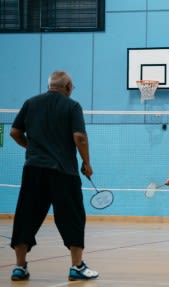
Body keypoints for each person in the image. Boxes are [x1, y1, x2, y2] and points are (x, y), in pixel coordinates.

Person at [9, 71, 99, 281]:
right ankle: (76, 267)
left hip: (33, 170)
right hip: (63, 172)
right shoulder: (72, 106)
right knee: (72, 217)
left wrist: (30, 147)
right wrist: (86, 162)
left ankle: (19, 267)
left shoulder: (30, 103)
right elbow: (79, 137)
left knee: (25, 216)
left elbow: (14, 132)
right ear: (67, 87)